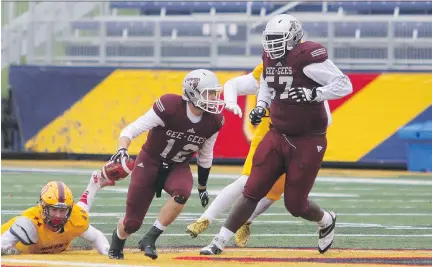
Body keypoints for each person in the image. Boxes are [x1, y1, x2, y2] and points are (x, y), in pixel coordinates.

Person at [200, 14, 353, 255]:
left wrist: (314, 94)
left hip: (308, 139)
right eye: (269, 39)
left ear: (293, 37)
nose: (272, 44)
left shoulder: (308, 58)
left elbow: (344, 85)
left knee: (295, 204)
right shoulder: (270, 59)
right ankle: (218, 241)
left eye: (277, 39)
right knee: (252, 188)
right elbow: (267, 84)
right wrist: (261, 106)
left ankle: (325, 220)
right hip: (278, 133)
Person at [187, 63, 333, 248]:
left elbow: (327, 118)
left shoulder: (310, 75)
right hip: (270, 136)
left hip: (301, 143)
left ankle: (246, 221)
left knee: (277, 194)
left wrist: (300, 111)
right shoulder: (270, 68)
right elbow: (233, 85)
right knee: (247, 182)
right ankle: (206, 220)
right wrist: (233, 104)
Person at [108, 69, 225, 260]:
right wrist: (122, 148)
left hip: (178, 165)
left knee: (183, 192)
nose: (214, 98)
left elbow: (205, 155)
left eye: (215, 93)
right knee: (131, 223)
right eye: (209, 93)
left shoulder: (214, 121)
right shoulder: (170, 106)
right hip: (150, 161)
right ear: (193, 92)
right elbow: (134, 128)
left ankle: (150, 239)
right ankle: (118, 239)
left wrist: (202, 186)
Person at [1, 173, 113, 255]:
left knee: (80, 213)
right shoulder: (29, 220)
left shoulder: (74, 217)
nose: (58, 216)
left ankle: (94, 185)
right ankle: (93, 185)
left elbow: (95, 237)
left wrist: (106, 250)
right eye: (54, 210)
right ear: (43, 208)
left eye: (62, 210)